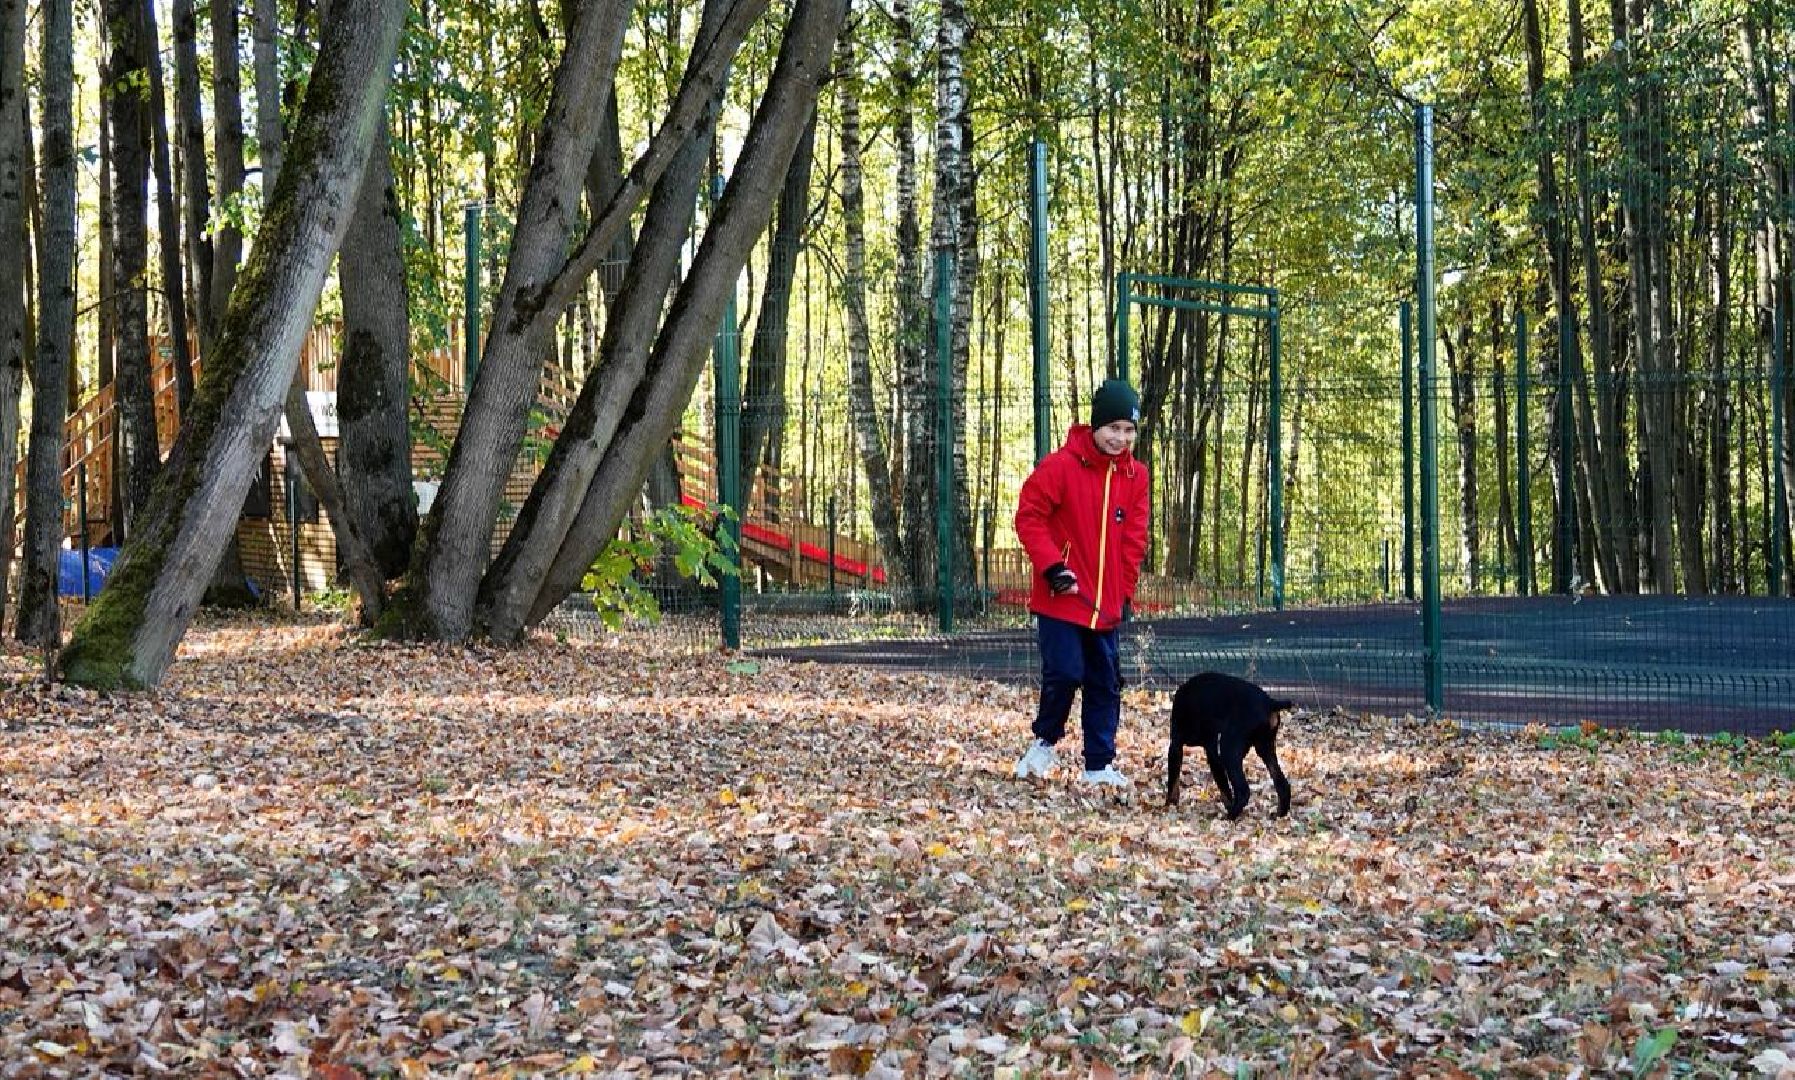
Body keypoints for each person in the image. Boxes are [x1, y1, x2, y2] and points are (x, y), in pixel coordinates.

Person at [1012, 377, 1151, 786]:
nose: (1120, 438)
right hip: (1062, 595)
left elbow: (1133, 540)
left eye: (1128, 430)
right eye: (1113, 428)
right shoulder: (1061, 466)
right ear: (1095, 426)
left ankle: (1098, 765)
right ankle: (1044, 743)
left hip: (1105, 602)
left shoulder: (1136, 477)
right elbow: (1029, 517)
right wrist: (1053, 566)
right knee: (1066, 672)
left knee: (1105, 682)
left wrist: (1125, 593)